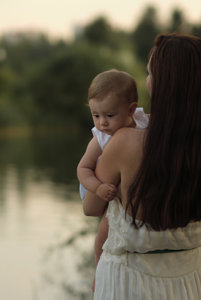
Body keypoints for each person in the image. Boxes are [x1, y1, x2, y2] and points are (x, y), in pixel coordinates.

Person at [83, 33, 201, 299]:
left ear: (164, 83)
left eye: (150, 72)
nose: (147, 80)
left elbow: (91, 207)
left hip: (131, 279)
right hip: (193, 278)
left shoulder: (126, 142)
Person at [77, 69, 149, 272]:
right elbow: (83, 169)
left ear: (131, 110)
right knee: (105, 230)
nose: (102, 122)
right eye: (96, 115)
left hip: (119, 182)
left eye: (109, 115)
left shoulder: (143, 121)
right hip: (93, 186)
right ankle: (99, 267)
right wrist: (97, 188)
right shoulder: (100, 138)